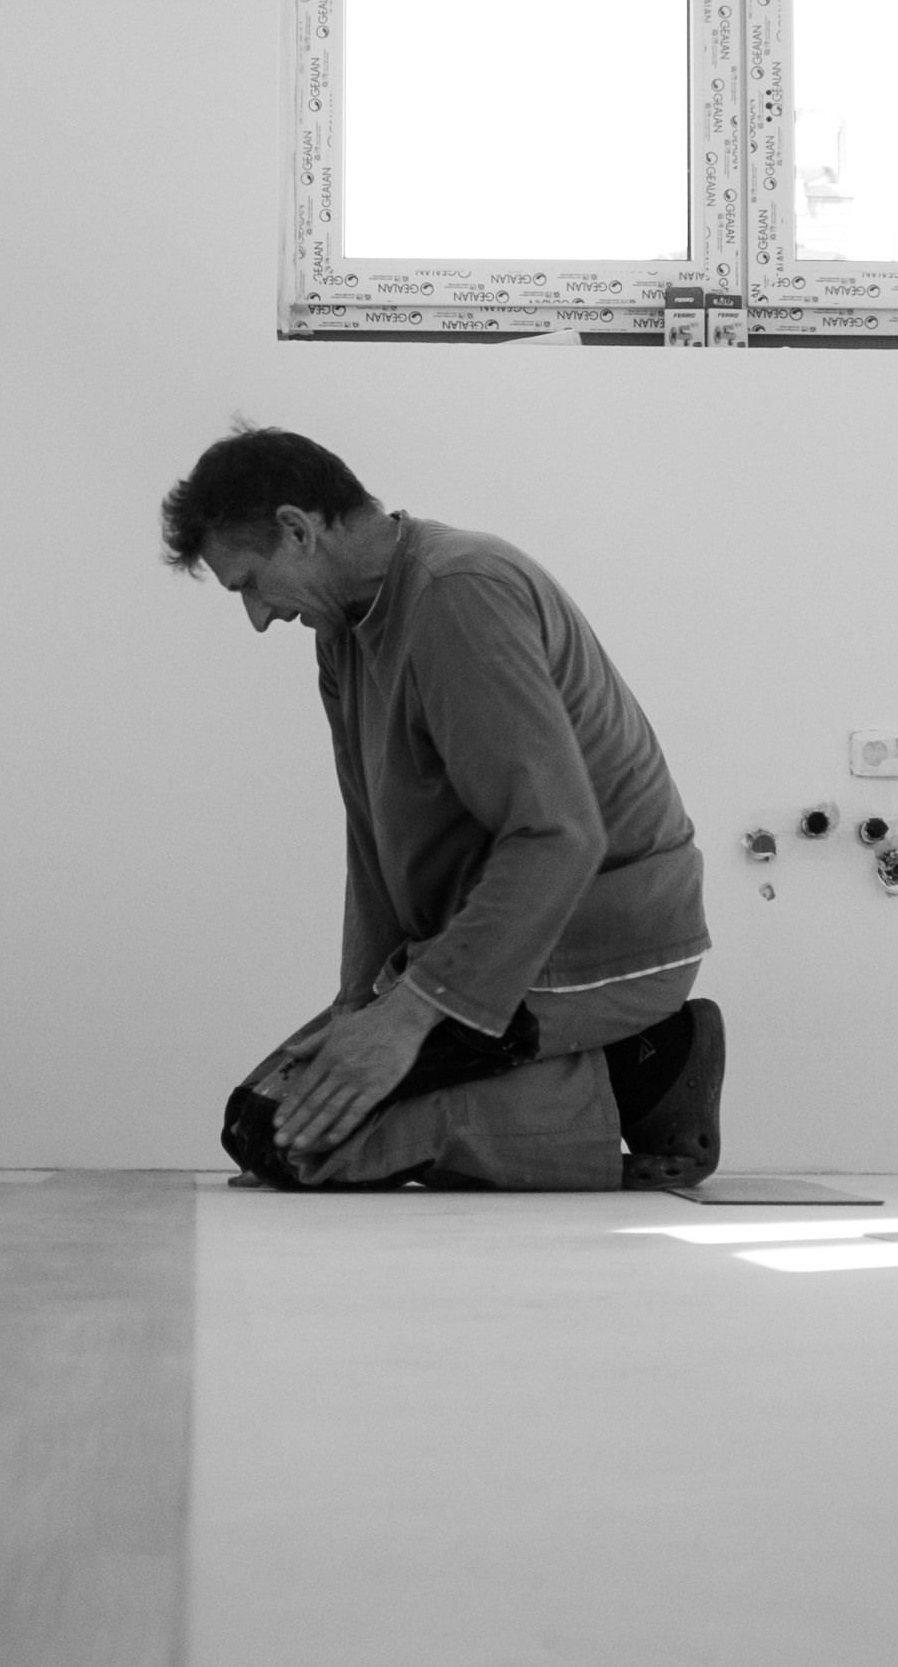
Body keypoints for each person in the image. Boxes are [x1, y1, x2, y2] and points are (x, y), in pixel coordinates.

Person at [162, 428, 723, 1193]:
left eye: (251, 584)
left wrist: (408, 1016)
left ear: (299, 529)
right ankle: (582, 1062)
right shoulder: (343, 635)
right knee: (255, 1122)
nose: (258, 616)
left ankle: (640, 1076)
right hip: (480, 940)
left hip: (603, 941)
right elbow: (372, 842)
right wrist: (358, 1006)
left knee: (306, 1148)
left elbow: (558, 835)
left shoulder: (460, 591)